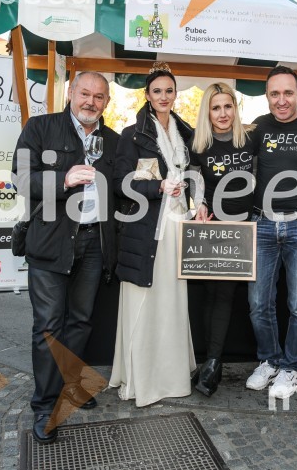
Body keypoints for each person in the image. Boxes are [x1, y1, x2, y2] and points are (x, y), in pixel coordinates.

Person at [12, 71, 120, 444]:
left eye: (99, 96)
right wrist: (63, 179)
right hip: (50, 243)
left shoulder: (113, 140)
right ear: (71, 93)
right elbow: (21, 179)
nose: (91, 101)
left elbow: (126, 186)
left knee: (80, 322)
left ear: (107, 102)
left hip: (94, 244)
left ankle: (71, 386)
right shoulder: (40, 128)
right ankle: (44, 405)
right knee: (48, 327)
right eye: (85, 93)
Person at [109, 62, 197, 407]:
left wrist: (196, 200)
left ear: (176, 94)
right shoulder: (132, 135)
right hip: (146, 230)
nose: (164, 96)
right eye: (157, 91)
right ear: (147, 95)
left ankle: (172, 375)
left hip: (178, 226)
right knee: (144, 304)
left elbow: (194, 175)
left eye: (169, 90)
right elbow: (120, 183)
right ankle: (141, 377)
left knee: (172, 303)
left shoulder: (186, 132)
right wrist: (157, 186)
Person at [246, 66, 297, 400]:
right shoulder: (257, 127)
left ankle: (292, 369)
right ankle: (269, 361)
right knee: (257, 302)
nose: (282, 100)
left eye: (288, 93)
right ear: (267, 97)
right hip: (263, 223)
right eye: (275, 94)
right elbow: (222, 152)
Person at [189, 82, 256, 397]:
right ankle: (209, 360)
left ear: (235, 109)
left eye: (228, 106)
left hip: (242, 228)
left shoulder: (250, 140)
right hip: (211, 226)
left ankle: (214, 363)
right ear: (208, 112)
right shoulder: (199, 145)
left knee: (225, 296)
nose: (223, 113)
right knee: (210, 294)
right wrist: (198, 202)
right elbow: (194, 183)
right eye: (216, 108)